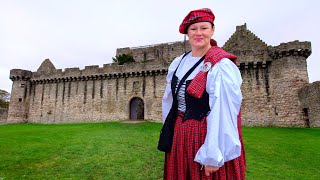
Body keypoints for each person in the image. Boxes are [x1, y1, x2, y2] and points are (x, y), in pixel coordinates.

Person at [158, 8, 246, 179]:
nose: (198, 33)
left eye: (204, 28)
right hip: (180, 136)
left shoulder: (221, 65)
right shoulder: (178, 62)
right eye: (193, 29)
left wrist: (213, 154)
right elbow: (169, 101)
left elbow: (223, 111)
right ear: (187, 33)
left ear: (212, 30)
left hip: (205, 136)